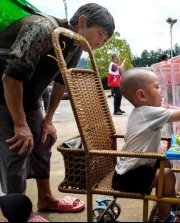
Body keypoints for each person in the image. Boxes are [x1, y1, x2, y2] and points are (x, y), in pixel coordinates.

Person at [0, 2, 115, 220]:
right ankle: (17, 213)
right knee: (18, 147)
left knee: (44, 141)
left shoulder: (73, 45)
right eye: (100, 33)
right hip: (4, 94)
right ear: (81, 22)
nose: (100, 42)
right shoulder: (43, 29)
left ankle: (46, 198)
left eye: (105, 39)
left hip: (30, 96)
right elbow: (10, 77)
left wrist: (49, 120)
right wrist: (20, 123)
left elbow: (61, 83)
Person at [112, 68, 180, 222]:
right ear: (141, 95)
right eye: (157, 87)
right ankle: (164, 216)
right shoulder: (148, 113)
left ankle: (172, 203)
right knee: (167, 174)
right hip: (128, 177)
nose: (161, 90)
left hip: (135, 167)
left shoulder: (141, 112)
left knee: (166, 162)